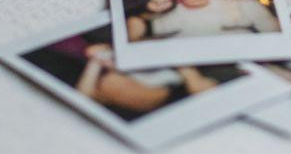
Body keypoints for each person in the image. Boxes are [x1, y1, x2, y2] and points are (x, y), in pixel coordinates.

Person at [74, 44, 218, 115]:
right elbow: (203, 89)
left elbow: (82, 98)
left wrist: (95, 62)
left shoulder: (114, 72)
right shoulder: (176, 83)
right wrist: (189, 74)